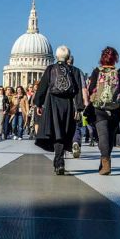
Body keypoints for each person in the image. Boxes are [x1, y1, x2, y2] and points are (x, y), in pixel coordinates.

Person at [34, 45, 84, 175]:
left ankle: (59, 161)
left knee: (56, 132)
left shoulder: (50, 69)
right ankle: (59, 160)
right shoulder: (75, 71)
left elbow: (42, 87)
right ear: (68, 57)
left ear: (56, 57)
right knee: (64, 132)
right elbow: (78, 91)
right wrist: (79, 108)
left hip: (53, 103)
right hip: (68, 104)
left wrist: (38, 104)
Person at [88, 46, 120, 175]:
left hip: (99, 108)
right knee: (109, 137)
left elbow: (90, 89)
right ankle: (104, 161)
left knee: (102, 137)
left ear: (102, 58)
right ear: (115, 59)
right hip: (116, 109)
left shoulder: (96, 72)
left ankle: (106, 163)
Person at [68, 55, 89, 159]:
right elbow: (84, 89)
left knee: (63, 126)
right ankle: (75, 142)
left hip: (62, 104)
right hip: (76, 103)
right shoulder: (78, 71)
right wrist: (86, 103)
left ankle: (62, 148)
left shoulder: (56, 70)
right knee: (76, 126)